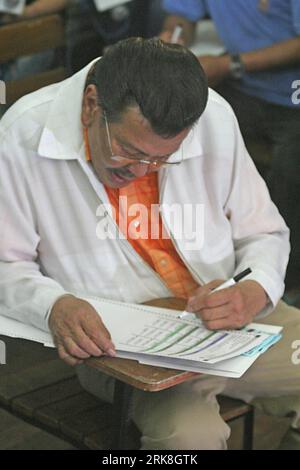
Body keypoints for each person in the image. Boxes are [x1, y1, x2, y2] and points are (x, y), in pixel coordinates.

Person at [0, 37, 299, 450]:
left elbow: (262, 230)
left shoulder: (212, 115)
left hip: (235, 324)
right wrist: (54, 306)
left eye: (164, 159)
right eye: (128, 150)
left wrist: (255, 288)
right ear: (91, 105)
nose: (141, 170)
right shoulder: (22, 134)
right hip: (121, 349)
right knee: (190, 439)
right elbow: (5, 262)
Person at [160, 0, 300, 297]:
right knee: (180, 127)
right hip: (243, 88)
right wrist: (173, 37)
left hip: (291, 97)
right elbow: (182, 15)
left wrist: (230, 64)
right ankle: (194, 258)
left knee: (291, 169)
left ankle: (282, 280)